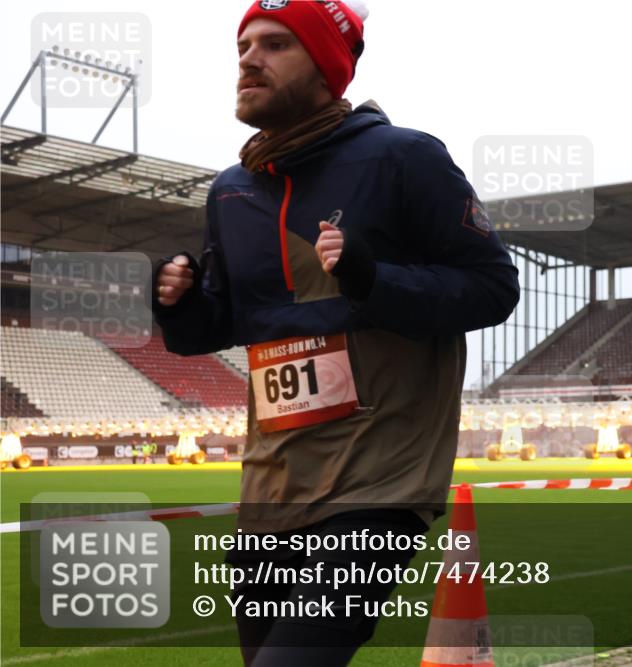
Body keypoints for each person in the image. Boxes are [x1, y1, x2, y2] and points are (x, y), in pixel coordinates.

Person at [151, 1, 519, 665]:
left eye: (275, 45)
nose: (249, 60)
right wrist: (177, 307)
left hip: (378, 477)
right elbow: (226, 321)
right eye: (244, 47)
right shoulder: (232, 189)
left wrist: (372, 278)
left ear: (325, 68)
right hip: (272, 486)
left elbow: (494, 288)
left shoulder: (405, 157)